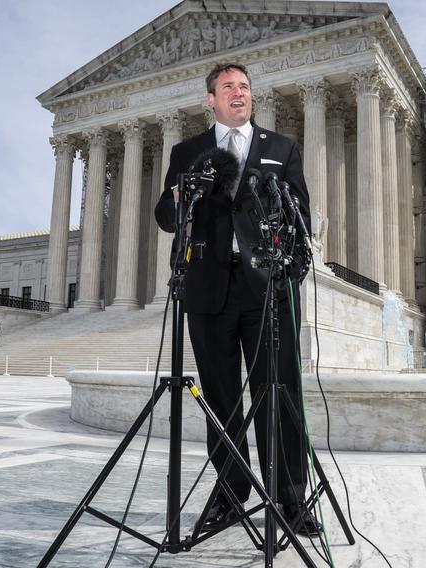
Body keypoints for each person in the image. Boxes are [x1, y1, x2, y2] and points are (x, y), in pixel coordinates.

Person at [154, 62, 318, 535]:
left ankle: (289, 499)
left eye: (244, 87)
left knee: (278, 391)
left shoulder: (281, 148)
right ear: (211, 99)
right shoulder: (189, 151)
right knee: (221, 400)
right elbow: (166, 216)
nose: (239, 93)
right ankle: (231, 493)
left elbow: (300, 213)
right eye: (228, 87)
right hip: (207, 288)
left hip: (268, 288)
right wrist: (187, 190)